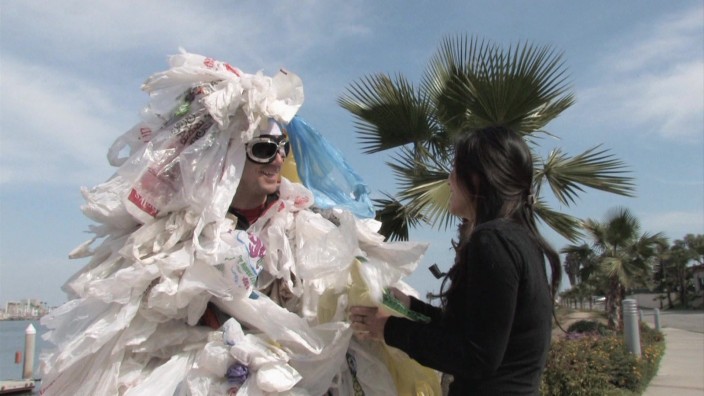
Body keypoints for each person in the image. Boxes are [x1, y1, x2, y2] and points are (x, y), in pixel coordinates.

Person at [350, 126, 562, 395]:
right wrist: (411, 306)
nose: (449, 180)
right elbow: (471, 331)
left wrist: (388, 329)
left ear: (475, 179)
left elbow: (477, 357)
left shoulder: (492, 241)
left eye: (454, 170)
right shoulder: (522, 241)